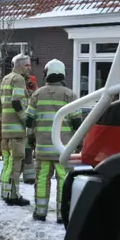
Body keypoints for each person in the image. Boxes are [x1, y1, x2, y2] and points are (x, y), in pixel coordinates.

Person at [26, 59, 82, 223]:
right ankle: (61, 215)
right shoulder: (70, 95)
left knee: (42, 180)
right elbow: (77, 123)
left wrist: (32, 139)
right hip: (63, 150)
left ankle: (40, 212)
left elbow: (29, 121)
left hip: (43, 149)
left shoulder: (37, 94)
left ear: (47, 73)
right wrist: (78, 143)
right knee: (63, 181)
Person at [0, 53, 31, 206]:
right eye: (27, 65)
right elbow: (17, 101)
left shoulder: (5, 79)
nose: (29, 68)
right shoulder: (19, 79)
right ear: (19, 65)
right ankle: (13, 196)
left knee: (7, 163)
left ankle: (5, 192)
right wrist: (26, 119)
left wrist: (4, 118)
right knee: (16, 163)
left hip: (5, 130)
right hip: (17, 130)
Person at [21, 72, 38, 185]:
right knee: (21, 150)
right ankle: (26, 175)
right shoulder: (14, 82)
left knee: (28, 149)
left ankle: (29, 175)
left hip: (31, 121)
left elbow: (37, 96)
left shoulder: (33, 80)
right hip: (19, 121)